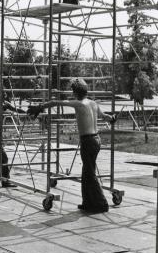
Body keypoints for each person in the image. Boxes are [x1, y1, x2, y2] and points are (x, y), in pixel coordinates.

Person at [28, 78, 115, 214]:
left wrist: (40, 107)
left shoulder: (79, 104)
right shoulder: (93, 103)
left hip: (88, 141)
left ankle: (102, 204)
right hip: (96, 140)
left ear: (75, 92)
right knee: (86, 173)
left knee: (90, 173)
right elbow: (105, 117)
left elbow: (55, 102)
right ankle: (87, 203)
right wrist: (112, 118)